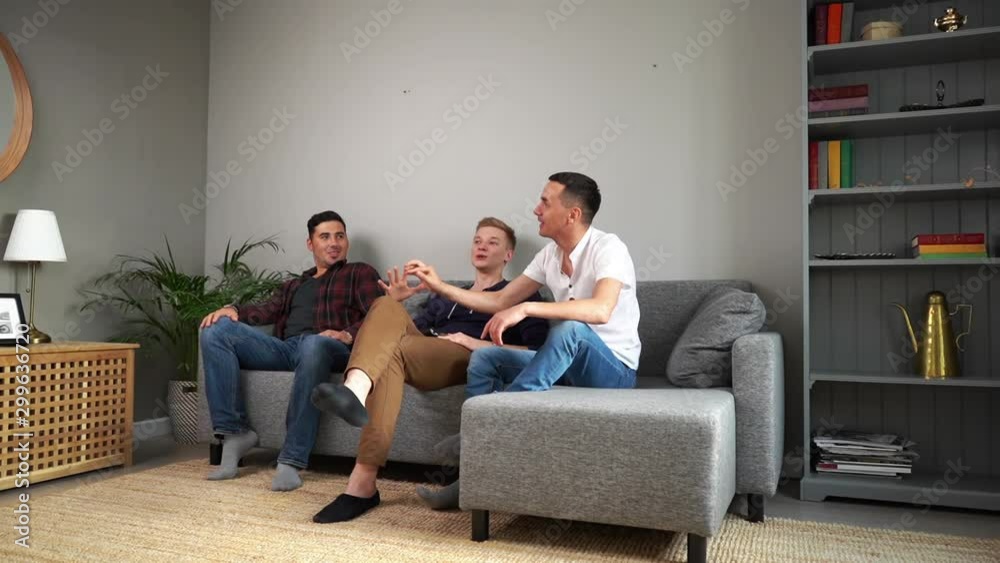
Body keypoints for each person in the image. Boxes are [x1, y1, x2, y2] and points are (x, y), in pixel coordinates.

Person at [402, 172, 642, 508]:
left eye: (545, 202)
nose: (536, 209)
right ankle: (471, 479)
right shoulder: (549, 255)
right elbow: (500, 300)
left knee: (570, 328)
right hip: (565, 364)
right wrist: (440, 286)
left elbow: (601, 310)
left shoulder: (608, 248)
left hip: (613, 371)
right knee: (485, 358)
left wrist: (528, 308)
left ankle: (484, 430)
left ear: (572, 214)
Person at [308, 217, 548, 523]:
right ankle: (362, 474)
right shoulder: (447, 295)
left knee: (392, 350)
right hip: (425, 351)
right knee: (385, 308)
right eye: (477, 241)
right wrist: (395, 303)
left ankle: (360, 467)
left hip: (465, 355)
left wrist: (474, 342)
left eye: (492, 242)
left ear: (508, 255)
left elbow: (538, 353)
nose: (482, 246)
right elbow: (407, 333)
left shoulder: (519, 295)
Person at [199, 210, 383, 492]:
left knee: (313, 343)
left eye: (339, 236)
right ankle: (235, 433)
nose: (334, 243)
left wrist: (347, 333)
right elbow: (264, 311)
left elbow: (379, 315)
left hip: (332, 347)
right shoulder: (293, 285)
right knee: (215, 329)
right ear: (310, 243)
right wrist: (232, 309)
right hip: (288, 349)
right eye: (325, 237)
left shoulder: (359, 273)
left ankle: (291, 459)